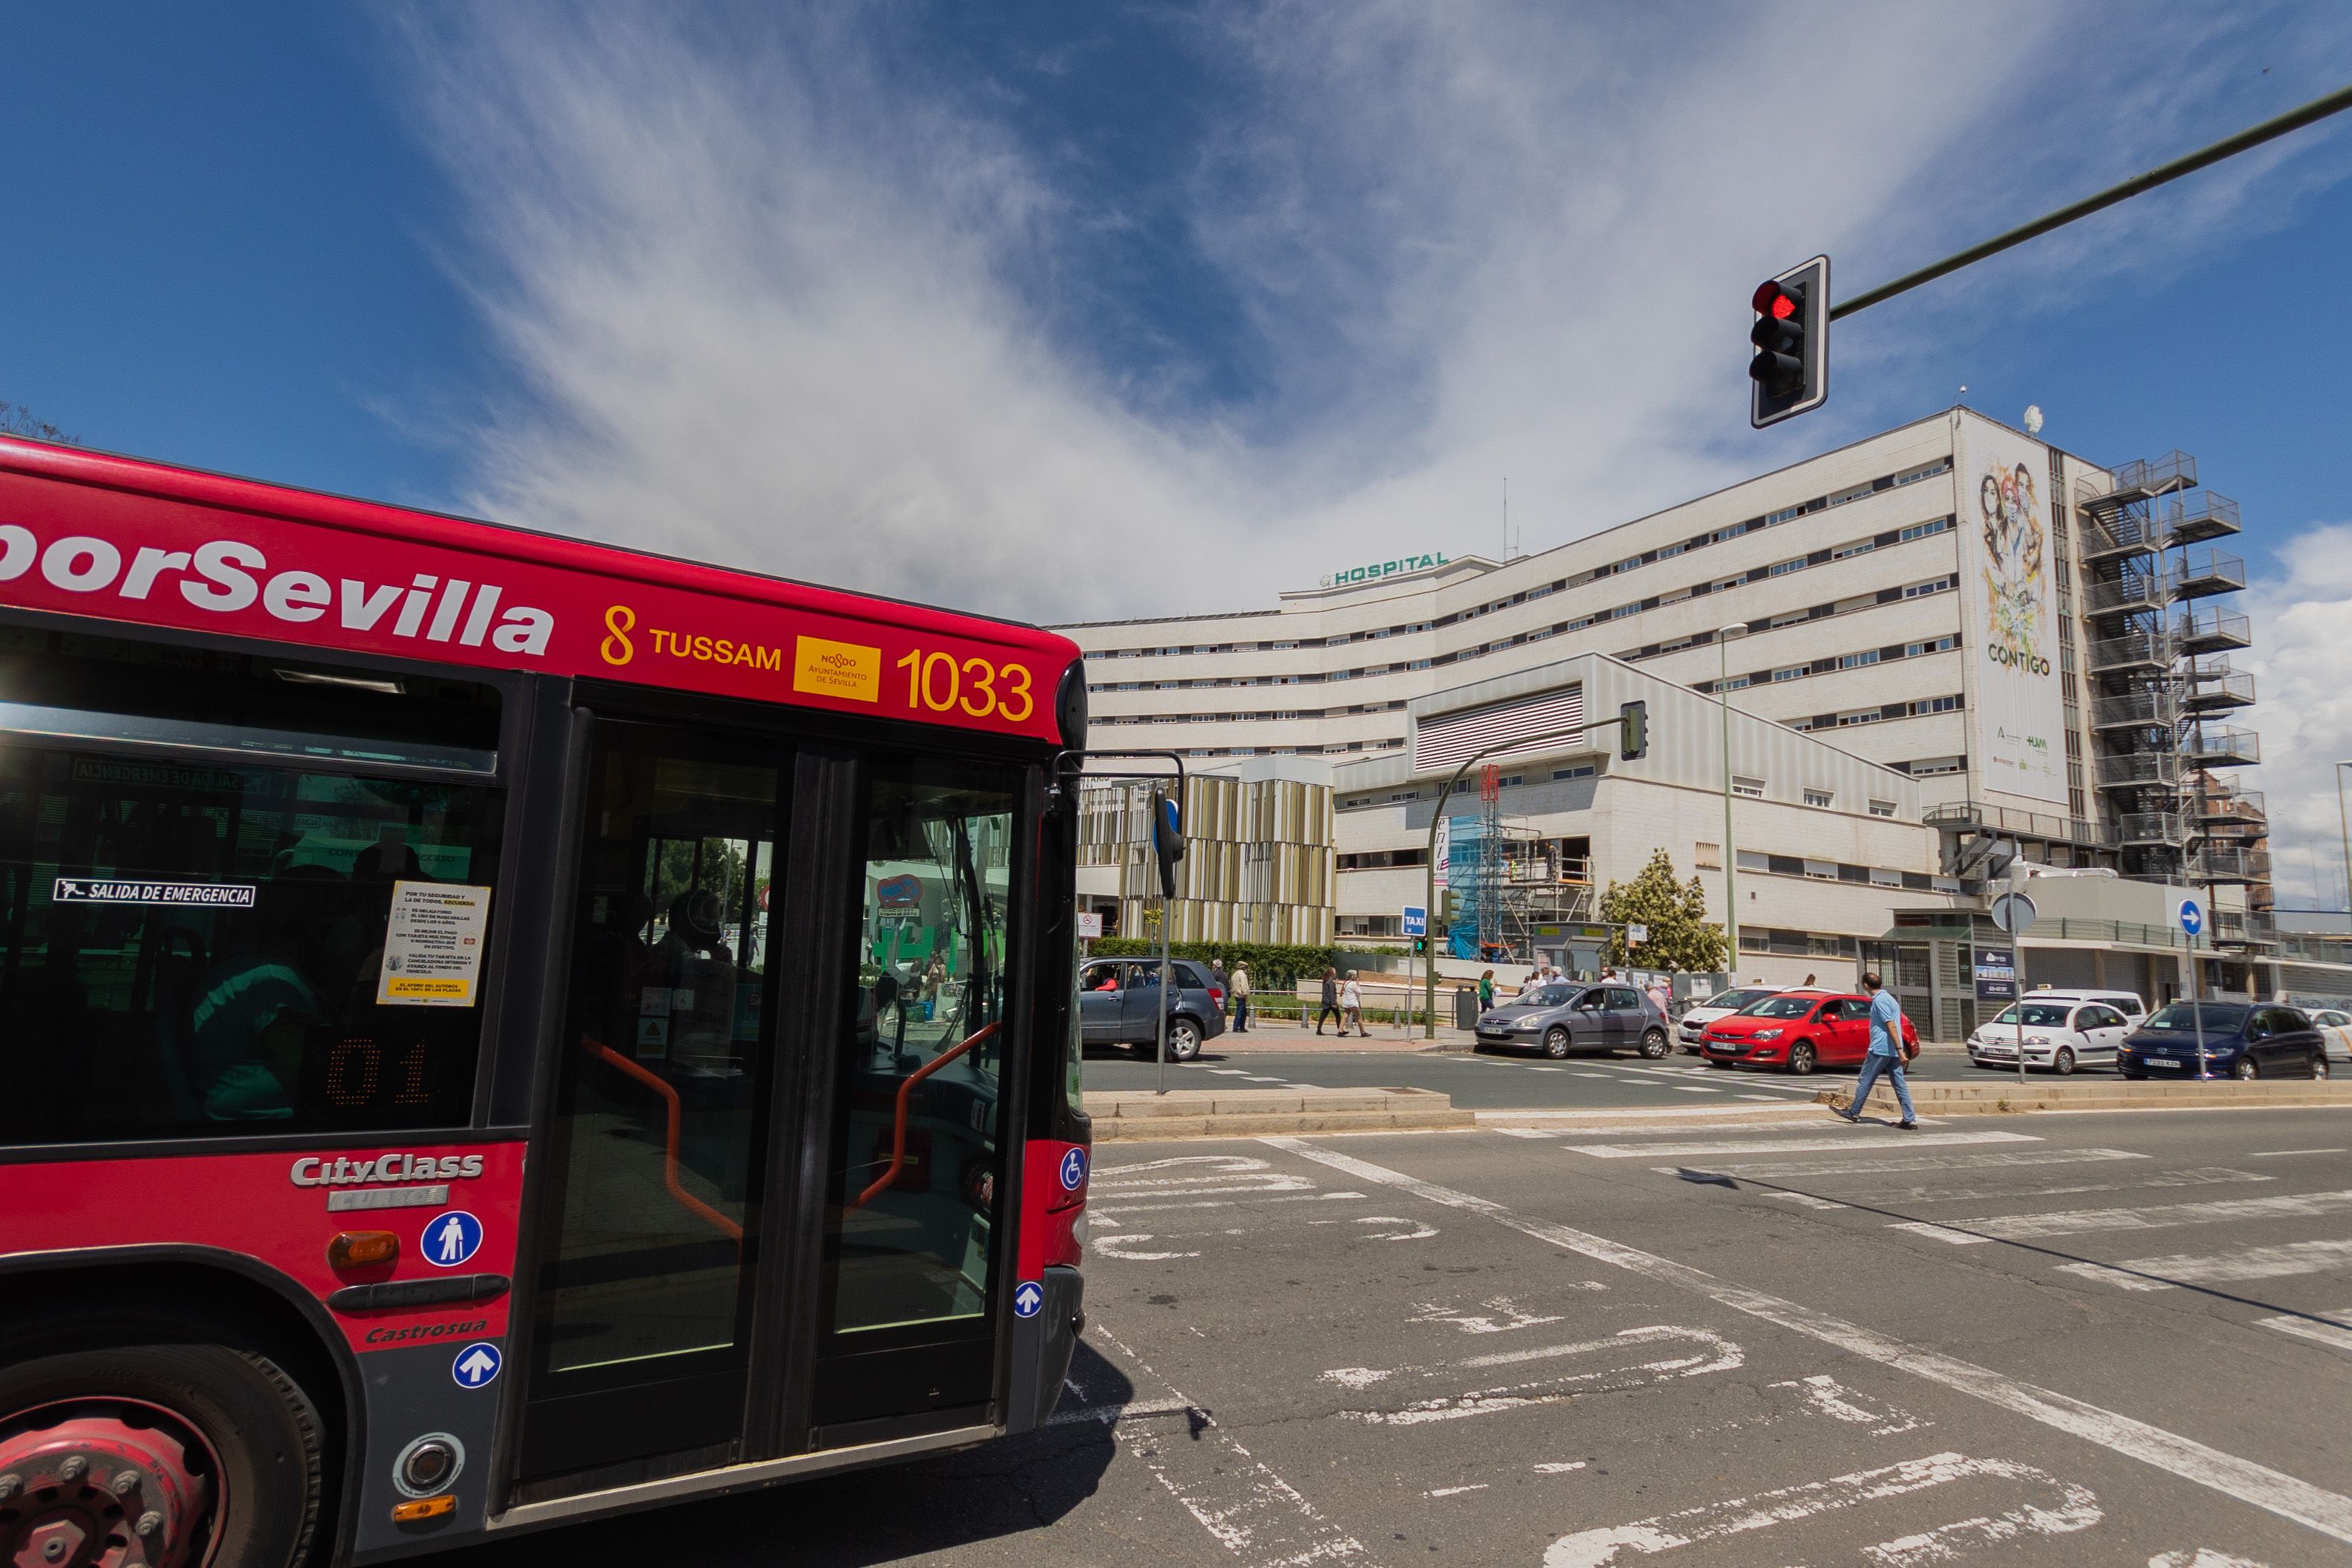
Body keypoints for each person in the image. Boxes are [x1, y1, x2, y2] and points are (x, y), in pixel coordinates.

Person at [1835, 972, 1917, 1129]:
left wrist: (1900, 1050)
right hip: (1891, 1049)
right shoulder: (1890, 999)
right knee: (1899, 1083)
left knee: (1865, 1080)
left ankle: (1853, 1112)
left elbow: (1890, 1024)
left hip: (1880, 1049)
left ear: (1865, 985)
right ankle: (1909, 1118)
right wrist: (1898, 1048)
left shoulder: (1880, 1001)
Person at [1316, 966, 1342, 1034]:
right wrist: (1334, 1003)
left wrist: (1334, 984)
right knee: (1338, 1016)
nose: (1336, 974)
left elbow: (1327, 990)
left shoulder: (1325, 981)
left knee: (1323, 1015)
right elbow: (1331, 993)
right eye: (1335, 972)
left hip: (1325, 1001)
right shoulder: (1330, 982)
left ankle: (1319, 1029)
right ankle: (1340, 1030)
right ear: (1332, 973)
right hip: (1330, 1002)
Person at [1340, 970, 1367, 1036]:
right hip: (1352, 1003)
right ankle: (1363, 1032)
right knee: (1359, 1017)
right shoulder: (1353, 984)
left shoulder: (1346, 983)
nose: (1357, 976)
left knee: (1345, 1016)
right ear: (1352, 976)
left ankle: (1340, 1030)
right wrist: (1358, 984)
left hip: (1346, 1003)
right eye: (1355, 975)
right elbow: (1359, 992)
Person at [1230, 960, 1252, 1032]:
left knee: (1241, 1011)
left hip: (1236, 994)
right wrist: (1246, 995)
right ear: (1245, 967)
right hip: (1241, 995)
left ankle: (1240, 1027)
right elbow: (1244, 986)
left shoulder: (1235, 974)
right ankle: (1237, 1027)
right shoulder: (1243, 975)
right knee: (1241, 1012)